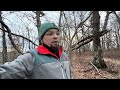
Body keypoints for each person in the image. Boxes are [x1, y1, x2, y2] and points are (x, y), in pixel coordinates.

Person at [0, 22, 72, 79]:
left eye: (57, 33)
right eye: (50, 34)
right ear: (41, 39)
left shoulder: (64, 55)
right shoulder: (33, 57)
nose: (55, 36)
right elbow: (7, 71)